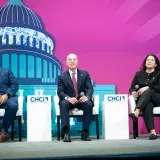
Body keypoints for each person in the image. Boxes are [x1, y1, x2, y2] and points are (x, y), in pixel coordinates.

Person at [57, 53, 93, 142]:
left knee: (88, 104)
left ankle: (85, 132)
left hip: (81, 100)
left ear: (77, 62)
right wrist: (68, 98)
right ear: (66, 62)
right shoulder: (62, 77)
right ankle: (66, 133)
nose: (72, 61)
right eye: (70, 60)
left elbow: (90, 88)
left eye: (74, 60)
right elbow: (60, 91)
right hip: (69, 101)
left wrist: (87, 97)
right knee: (63, 103)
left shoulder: (85, 74)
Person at [129, 54, 160, 140]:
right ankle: (152, 132)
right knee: (148, 105)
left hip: (157, 98)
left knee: (148, 91)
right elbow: (131, 87)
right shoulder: (138, 74)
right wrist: (133, 92)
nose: (149, 61)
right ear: (145, 63)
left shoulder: (159, 74)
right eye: (148, 60)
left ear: (156, 64)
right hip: (145, 100)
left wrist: (149, 87)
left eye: (152, 60)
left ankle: (137, 111)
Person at [0, 68, 19, 142]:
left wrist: (7, 95)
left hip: (7, 97)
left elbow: (15, 85)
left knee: (13, 106)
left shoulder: (7, 71)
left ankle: (4, 132)